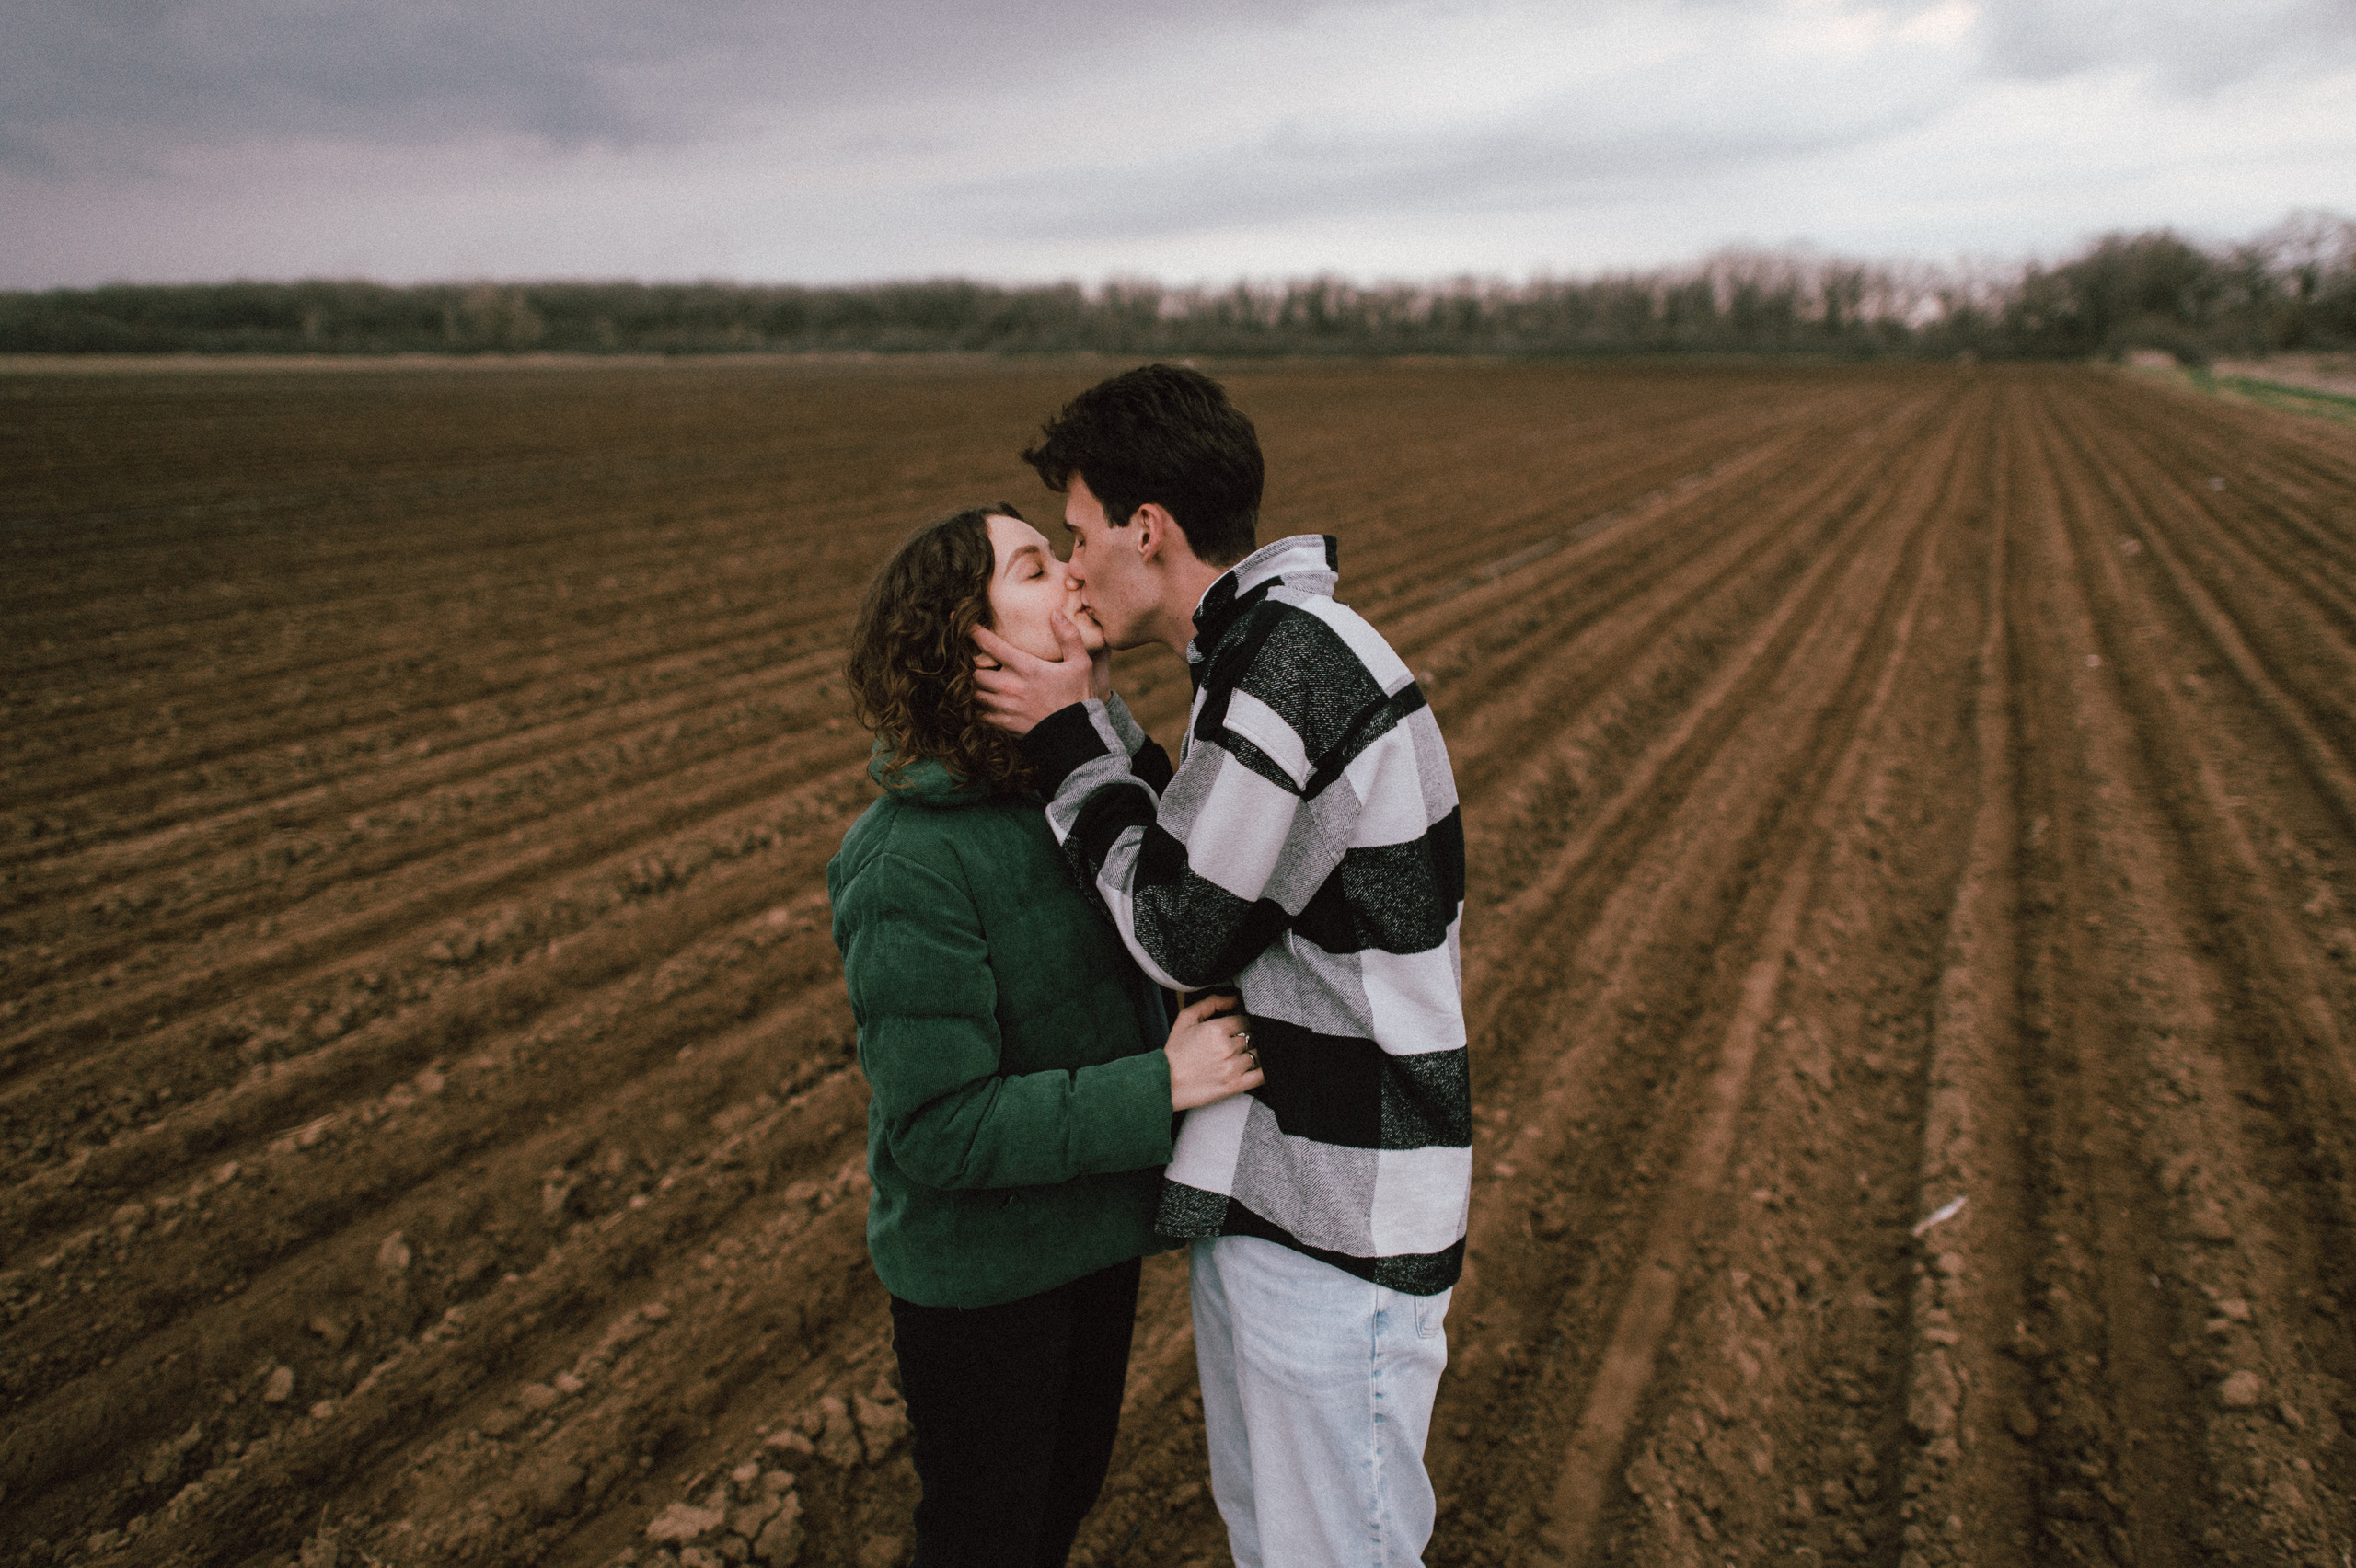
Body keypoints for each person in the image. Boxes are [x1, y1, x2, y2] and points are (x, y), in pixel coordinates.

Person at [972, 366, 1471, 1568]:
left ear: (1148, 531)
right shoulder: (1268, 658)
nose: (1075, 567)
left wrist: (1063, 736)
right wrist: (1095, 730)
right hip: (1299, 1196)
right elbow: (1216, 863)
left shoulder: (1282, 672)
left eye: (1080, 536)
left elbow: (1183, 924)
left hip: (1331, 1221)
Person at [827, 502, 1265, 1568]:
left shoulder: (1064, 797)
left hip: (1086, 1245)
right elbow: (939, 1129)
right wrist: (1157, 1086)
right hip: (984, 1285)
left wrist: (1094, 714)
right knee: (986, 1539)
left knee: (1058, 1502)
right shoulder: (909, 862)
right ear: (963, 640)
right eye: (1032, 569)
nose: (1072, 576)